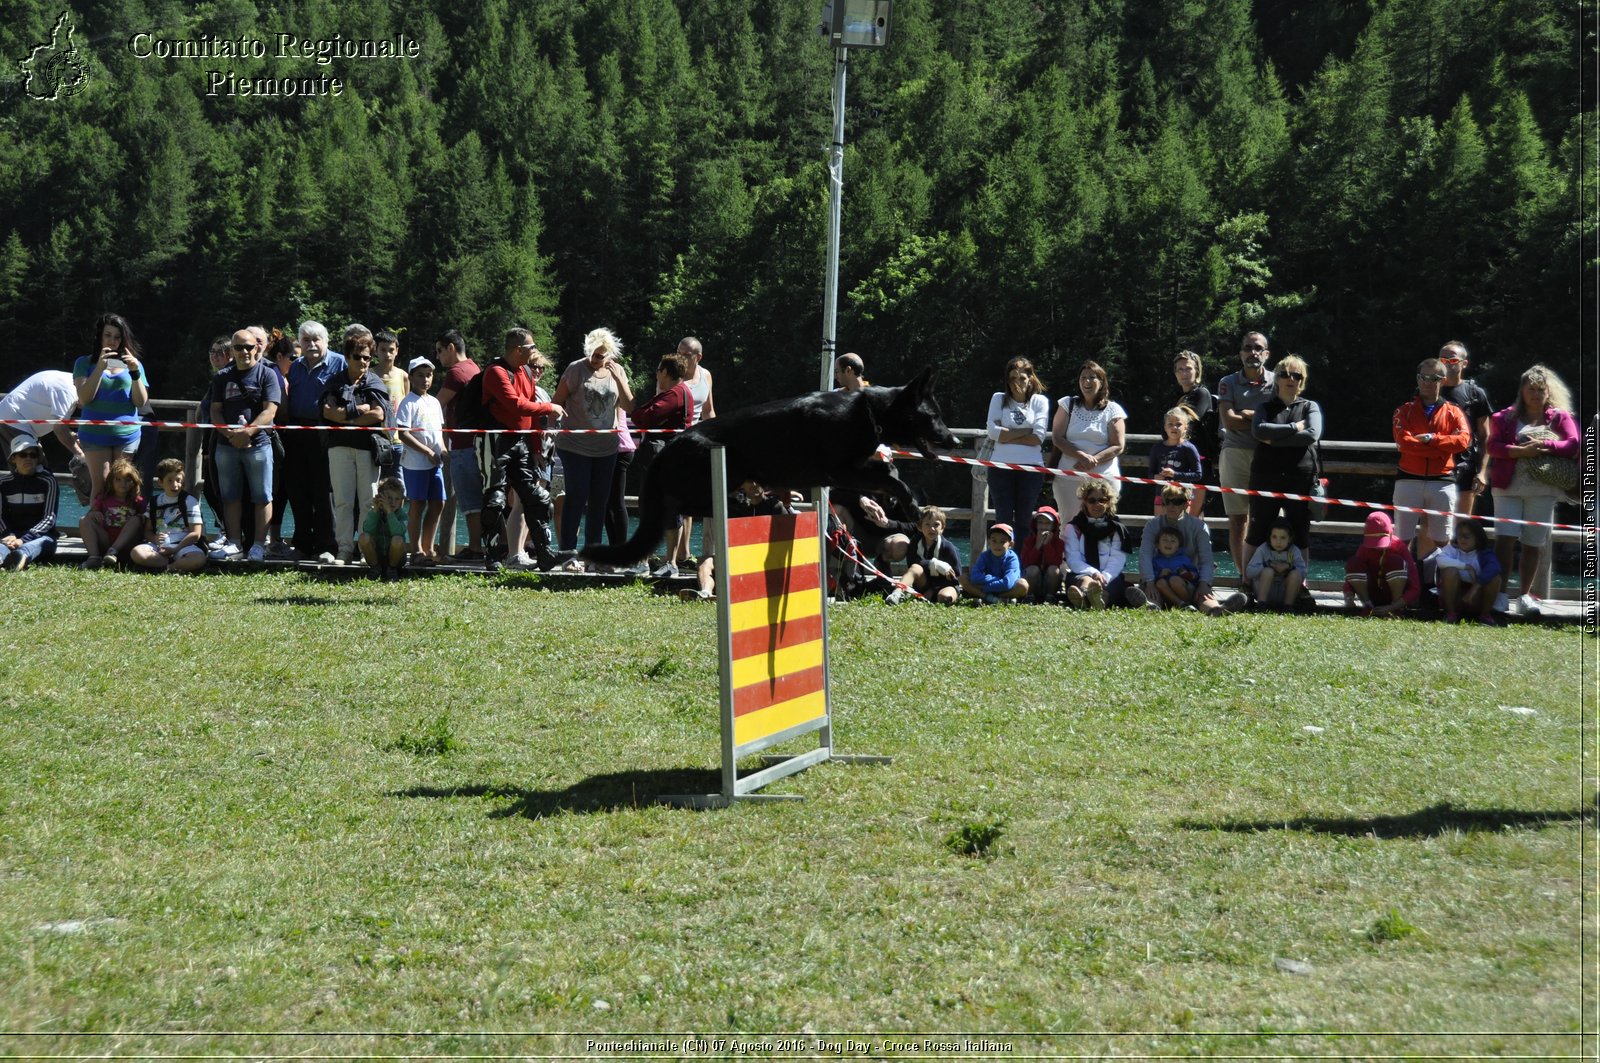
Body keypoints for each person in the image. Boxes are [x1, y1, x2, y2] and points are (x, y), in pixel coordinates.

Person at [1486, 363, 1580, 617]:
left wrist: (1546, 444)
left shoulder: (1560, 417)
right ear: (1522, 391)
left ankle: (1526, 595)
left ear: (1548, 392)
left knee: (1533, 543)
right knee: (1504, 540)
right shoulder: (1504, 418)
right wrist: (1520, 451)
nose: (1536, 394)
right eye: (1531, 389)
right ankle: (1501, 593)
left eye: (1541, 389)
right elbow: (1492, 447)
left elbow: (1574, 444)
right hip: (1508, 487)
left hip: (1543, 488)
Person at [481, 329, 565, 570]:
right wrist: (548, 407)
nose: (534, 351)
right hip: (495, 440)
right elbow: (515, 404)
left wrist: (536, 446)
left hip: (521, 442)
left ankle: (544, 553)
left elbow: (528, 416)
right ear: (518, 349)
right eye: (531, 347)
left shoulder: (527, 371)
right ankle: (494, 556)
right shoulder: (496, 372)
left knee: (536, 497)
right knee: (495, 499)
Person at [1241, 354, 1322, 598]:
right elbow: (1258, 430)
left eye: (1296, 375)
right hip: (1265, 476)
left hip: (1300, 477)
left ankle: (1301, 585)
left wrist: (1273, 438)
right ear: (1276, 378)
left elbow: (1311, 435)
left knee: (1301, 531)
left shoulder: (1310, 407)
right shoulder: (1265, 407)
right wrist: (1293, 429)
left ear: (1303, 381)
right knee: (1257, 529)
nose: (1290, 379)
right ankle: (1246, 581)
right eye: (1285, 374)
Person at [552, 328, 633, 557]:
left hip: (606, 447)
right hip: (574, 446)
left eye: (601, 355)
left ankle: (593, 553)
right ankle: (567, 551)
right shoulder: (575, 369)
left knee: (600, 501)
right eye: (593, 355)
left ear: (610, 354)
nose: (596, 360)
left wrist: (618, 378)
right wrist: (549, 432)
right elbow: (556, 403)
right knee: (576, 497)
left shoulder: (618, 371)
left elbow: (629, 406)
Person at [206, 328, 282, 562]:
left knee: (262, 496)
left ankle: (259, 545)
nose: (245, 352)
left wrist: (248, 432)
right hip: (226, 445)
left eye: (249, 347)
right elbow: (215, 410)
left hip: (258, 444)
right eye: (239, 348)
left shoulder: (267, 374)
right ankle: (234, 542)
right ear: (232, 351)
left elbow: (270, 410)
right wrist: (229, 434)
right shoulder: (221, 377)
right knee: (230, 496)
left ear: (257, 348)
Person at [320, 332, 391, 563]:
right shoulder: (334, 382)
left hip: (367, 449)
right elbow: (327, 412)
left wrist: (345, 418)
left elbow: (379, 413)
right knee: (342, 501)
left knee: (369, 500)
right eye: (358, 357)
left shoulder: (374, 382)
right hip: (338, 447)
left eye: (368, 358)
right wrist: (360, 411)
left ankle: (366, 548)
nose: (363, 362)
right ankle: (344, 549)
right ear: (347, 356)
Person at [1392, 357, 1471, 562]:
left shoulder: (1454, 411)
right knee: (1401, 540)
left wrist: (1431, 439)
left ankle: (1445, 587)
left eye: (1433, 378)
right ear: (1417, 379)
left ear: (1443, 380)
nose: (1427, 382)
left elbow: (1463, 441)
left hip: (1442, 482)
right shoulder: (1404, 410)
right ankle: (1404, 586)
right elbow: (1404, 441)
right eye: (1423, 377)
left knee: (1443, 540)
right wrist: (1441, 448)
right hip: (1408, 480)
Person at [629, 352, 699, 576]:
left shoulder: (674, 395)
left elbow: (642, 418)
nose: (656, 373)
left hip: (665, 461)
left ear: (667, 372)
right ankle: (652, 561)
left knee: (664, 509)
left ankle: (669, 563)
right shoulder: (673, 393)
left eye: (659, 369)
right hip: (670, 459)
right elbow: (642, 413)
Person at [283, 321, 346, 563]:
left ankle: (326, 545)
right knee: (298, 491)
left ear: (326, 341)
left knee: (323, 492)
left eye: (316, 339)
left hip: (325, 433)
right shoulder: (296, 366)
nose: (312, 344)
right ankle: (301, 544)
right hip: (296, 432)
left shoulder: (339, 362)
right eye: (306, 340)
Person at [1216, 331, 1276, 575]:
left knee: (1269, 517)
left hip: (1269, 456)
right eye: (1248, 348)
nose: (1253, 352)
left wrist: (1246, 415)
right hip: (1234, 454)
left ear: (1267, 354)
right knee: (1238, 519)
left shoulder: (1277, 381)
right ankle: (1245, 578)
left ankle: (1271, 575)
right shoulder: (1227, 382)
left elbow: (1279, 419)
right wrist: (1259, 418)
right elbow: (1229, 421)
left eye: (1258, 348)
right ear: (1241, 354)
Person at [73, 312, 149, 503]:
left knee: (123, 486)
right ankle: (98, 530)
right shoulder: (84, 363)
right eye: (108, 335)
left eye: (117, 337)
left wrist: (134, 373)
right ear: (100, 336)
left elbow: (140, 402)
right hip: (94, 435)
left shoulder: (134, 364)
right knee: (100, 486)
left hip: (126, 435)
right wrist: (100, 366)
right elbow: (84, 398)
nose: (112, 341)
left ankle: (121, 530)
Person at [1049, 361, 1125, 523]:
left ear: (1102, 381)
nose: (1087, 382)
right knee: (1068, 525)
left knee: (1104, 524)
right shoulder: (1067, 404)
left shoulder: (1113, 409)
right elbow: (1057, 437)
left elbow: (1118, 445)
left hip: (1104, 477)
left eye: (1092, 377)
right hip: (1069, 477)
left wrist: (1093, 460)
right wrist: (1081, 456)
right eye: (1083, 377)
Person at [982, 357, 1051, 534]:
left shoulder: (1039, 401)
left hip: (1031, 468)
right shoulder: (998, 399)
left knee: (1024, 519)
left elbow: (1038, 437)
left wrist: (1006, 435)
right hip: (1000, 467)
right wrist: (1026, 431)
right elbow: (992, 432)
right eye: (1012, 378)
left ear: (1030, 378)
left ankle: (1022, 559)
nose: (1016, 383)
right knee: (1002, 518)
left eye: (1021, 378)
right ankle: (1002, 560)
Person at [665, 336, 717, 570]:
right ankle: (673, 557)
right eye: (679, 352)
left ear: (698, 357)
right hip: (674, 441)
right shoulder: (672, 374)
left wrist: (716, 439)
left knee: (692, 497)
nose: (681, 358)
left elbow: (708, 411)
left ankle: (686, 553)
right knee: (675, 498)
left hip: (696, 442)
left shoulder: (705, 376)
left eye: (686, 355)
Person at [1135, 482, 1223, 614]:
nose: (1171, 505)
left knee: (1206, 600)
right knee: (1152, 602)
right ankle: (1155, 604)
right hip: (1158, 580)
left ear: (1186, 503)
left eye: (1177, 501)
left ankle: (1219, 609)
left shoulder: (1199, 527)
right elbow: (1144, 556)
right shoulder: (1152, 525)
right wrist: (1149, 582)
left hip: (1187, 582)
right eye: (1167, 501)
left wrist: (1204, 583)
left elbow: (1206, 559)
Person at [434, 330, 484, 560]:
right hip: (477, 443)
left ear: (452, 348)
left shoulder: (456, 373)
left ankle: (475, 548)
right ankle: (489, 545)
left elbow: (435, 406)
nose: (438, 357)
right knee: (480, 497)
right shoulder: (474, 368)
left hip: (463, 444)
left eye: (440, 351)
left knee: (469, 499)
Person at [396, 356, 447, 565]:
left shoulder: (434, 402)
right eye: (420, 375)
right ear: (411, 377)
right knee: (417, 504)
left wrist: (443, 449)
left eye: (428, 375)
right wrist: (427, 451)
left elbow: (439, 432)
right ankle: (415, 551)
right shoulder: (408, 403)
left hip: (435, 463)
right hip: (415, 463)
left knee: (438, 503)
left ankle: (428, 549)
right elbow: (403, 434)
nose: (425, 379)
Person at [1439, 341, 1493, 517]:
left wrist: (1482, 472)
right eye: (1443, 359)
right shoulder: (1428, 389)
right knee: (1431, 526)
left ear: (1464, 363)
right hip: (1433, 467)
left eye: (1453, 360)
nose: (1447, 363)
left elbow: (1485, 436)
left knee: (1461, 524)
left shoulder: (1475, 393)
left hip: (1465, 466)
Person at [1063, 482, 1134, 609]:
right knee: (1086, 580)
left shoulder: (1117, 528)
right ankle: (1085, 595)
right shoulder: (1073, 527)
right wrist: (1093, 573)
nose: (1097, 504)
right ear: (1085, 502)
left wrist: (1104, 577)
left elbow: (1117, 559)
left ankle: (1095, 601)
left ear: (1109, 502)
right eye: (1092, 500)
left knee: (1107, 587)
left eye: (1102, 500)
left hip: (1109, 576)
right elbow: (1073, 559)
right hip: (1081, 573)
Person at [129, 458, 206, 573]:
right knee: (136, 552)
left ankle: (167, 568)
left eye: (178, 480)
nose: (175, 485)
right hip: (159, 547)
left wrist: (176, 549)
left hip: (184, 546)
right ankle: (169, 564)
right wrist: (154, 539)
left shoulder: (190, 501)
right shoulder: (155, 502)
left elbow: (196, 533)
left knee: (199, 558)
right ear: (160, 482)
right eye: (170, 480)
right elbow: (148, 530)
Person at [1343, 510, 1419, 617]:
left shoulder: (1400, 547)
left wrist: (1393, 606)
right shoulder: (1364, 549)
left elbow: (1414, 587)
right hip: (1372, 593)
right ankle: (1367, 605)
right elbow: (1352, 575)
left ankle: (1395, 608)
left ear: (1391, 533)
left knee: (1396, 562)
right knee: (1353, 563)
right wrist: (1348, 595)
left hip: (1394, 598)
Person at [0, 435, 59, 571]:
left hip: (40, 537)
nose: (28, 458)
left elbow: (49, 519)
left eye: (32, 455)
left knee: (45, 543)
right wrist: (9, 534)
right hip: (11, 537)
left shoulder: (48, 481)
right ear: (14, 458)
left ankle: (21, 556)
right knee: (3, 545)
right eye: (22, 454)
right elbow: (1, 515)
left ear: (38, 459)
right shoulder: (3, 483)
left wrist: (23, 540)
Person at [0, 370, 84, 462]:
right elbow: (59, 428)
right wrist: (80, 454)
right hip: (15, 421)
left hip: (15, 419)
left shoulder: (69, 381)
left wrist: (71, 434)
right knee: (33, 469)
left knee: (36, 470)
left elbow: (59, 421)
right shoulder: (68, 392)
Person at [80, 457, 146, 570]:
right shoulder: (103, 499)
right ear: (111, 481)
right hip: (106, 539)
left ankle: (113, 551)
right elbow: (91, 516)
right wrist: (94, 514)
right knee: (84, 520)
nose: (123, 484)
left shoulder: (138, 501)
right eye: (118, 479)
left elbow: (146, 521)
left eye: (127, 480)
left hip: (128, 542)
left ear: (134, 482)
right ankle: (94, 557)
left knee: (137, 519)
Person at [1434, 518, 1503, 625]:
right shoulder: (1451, 549)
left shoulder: (1484, 553)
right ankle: (1451, 614)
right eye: (1460, 535)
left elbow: (1494, 568)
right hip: (1456, 599)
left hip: (1476, 600)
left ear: (1477, 537)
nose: (1462, 539)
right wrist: (1466, 567)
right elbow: (1440, 560)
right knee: (1449, 571)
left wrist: (1474, 589)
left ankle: (1485, 615)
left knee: (1495, 578)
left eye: (1467, 536)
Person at [1172, 350, 1216, 513]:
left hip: (1198, 463)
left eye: (1188, 368)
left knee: (1192, 517)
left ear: (1197, 370)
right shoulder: (1178, 396)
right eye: (1180, 369)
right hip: (1178, 461)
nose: (1184, 373)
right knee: (1177, 514)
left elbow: (1185, 423)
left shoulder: (1201, 394)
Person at [900, 505, 962, 604]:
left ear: (942, 528)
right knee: (915, 567)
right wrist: (933, 564)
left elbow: (956, 575)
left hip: (945, 585)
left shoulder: (948, 548)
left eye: (936, 525)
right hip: (924, 584)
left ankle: (938, 597)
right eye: (927, 524)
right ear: (920, 527)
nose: (932, 528)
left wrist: (934, 589)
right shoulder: (915, 543)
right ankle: (897, 593)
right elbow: (911, 562)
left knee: (944, 597)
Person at [1244, 518, 1307, 610]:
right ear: (1269, 537)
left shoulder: (1294, 551)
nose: (1278, 542)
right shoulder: (1263, 549)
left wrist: (1289, 567)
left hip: (1283, 591)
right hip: (1265, 590)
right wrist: (1268, 565)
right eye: (1274, 537)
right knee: (1268, 571)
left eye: (1283, 538)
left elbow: (1303, 573)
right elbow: (1249, 572)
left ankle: (1288, 606)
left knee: (1295, 574)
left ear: (1290, 539)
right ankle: (1261, 604)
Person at [372, 330, 408, 485]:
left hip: (398, 440)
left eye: (391, 350)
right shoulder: (369, 375)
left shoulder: (403, 376)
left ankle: (398, 510)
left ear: (397, 351)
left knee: (398, 484)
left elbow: (407, 405)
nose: (387, 354)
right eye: (383, 350)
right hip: (376, 438)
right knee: (377, 483)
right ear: (375, 350)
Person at [961, 522, 1030, 604]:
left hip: (1002, 589)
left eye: (1002, 541)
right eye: (994, 540)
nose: (998, 545)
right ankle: (998, 600)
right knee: (962, 578)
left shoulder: (1012, 558)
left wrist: (985, 587)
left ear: (1010, 544)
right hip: (996, 586)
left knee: (1023, 585)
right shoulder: (984, 556)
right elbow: (975, 577)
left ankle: (989, 598)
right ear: (989, 542)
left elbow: (1007, 583)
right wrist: (999, 580)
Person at [1149, 405, 1204, 504]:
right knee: (1160, 520)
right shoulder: (1156, 448)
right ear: (1165, 427)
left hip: (1182, 495)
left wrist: (1175, 474)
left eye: (1178, 424)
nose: (1174, 427)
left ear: (1186, 427)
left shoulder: (1189, 448)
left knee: (1181, 520)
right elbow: (1151, 472)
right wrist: (1155, 477)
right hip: (1161, 495)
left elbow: (1198, 474)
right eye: (1170, 424)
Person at [360, 477, 409, 580]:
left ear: (401, 501)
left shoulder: (402, 515)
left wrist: (389, 513)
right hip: (377, 556)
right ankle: (375, 568)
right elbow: (367, 530)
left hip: (397, 558)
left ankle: (392, 569)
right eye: (389, 498)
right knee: (363, 537)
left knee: (397, 539)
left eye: (397, 499)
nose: (393, 502)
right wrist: (375, 511)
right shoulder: (375, 512)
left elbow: (398, 531)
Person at [1018, 505, 1065, 603]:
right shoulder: (1029, 541)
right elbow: (1026, 563)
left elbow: (1056, 562)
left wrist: (1047, 545)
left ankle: (1050, 597)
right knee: (1032, 569)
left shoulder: (1059, 543)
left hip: (1049, 581)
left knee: (1054, 570)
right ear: (1035, 524)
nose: (1043, 526)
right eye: (1040, 522)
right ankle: (1029, 596)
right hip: (1034, 580)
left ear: (1054, 525)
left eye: (1048, 523)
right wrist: (1037, 545)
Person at [1150, 527, 1200, 608]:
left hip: (1184, 589)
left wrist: (1187, 574)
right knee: (1160, 582)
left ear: (1178, 547)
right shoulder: (1155, 561)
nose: (1168, 543)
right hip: (1166, 592)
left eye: (1173, 541)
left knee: (1174, 580)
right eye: (1165, 540)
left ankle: (1188, 602)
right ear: (1158, 545)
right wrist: (1160, 574)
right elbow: (1151, 576)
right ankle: (1181, 604)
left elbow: (1195, 574)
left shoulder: (1183, 559)